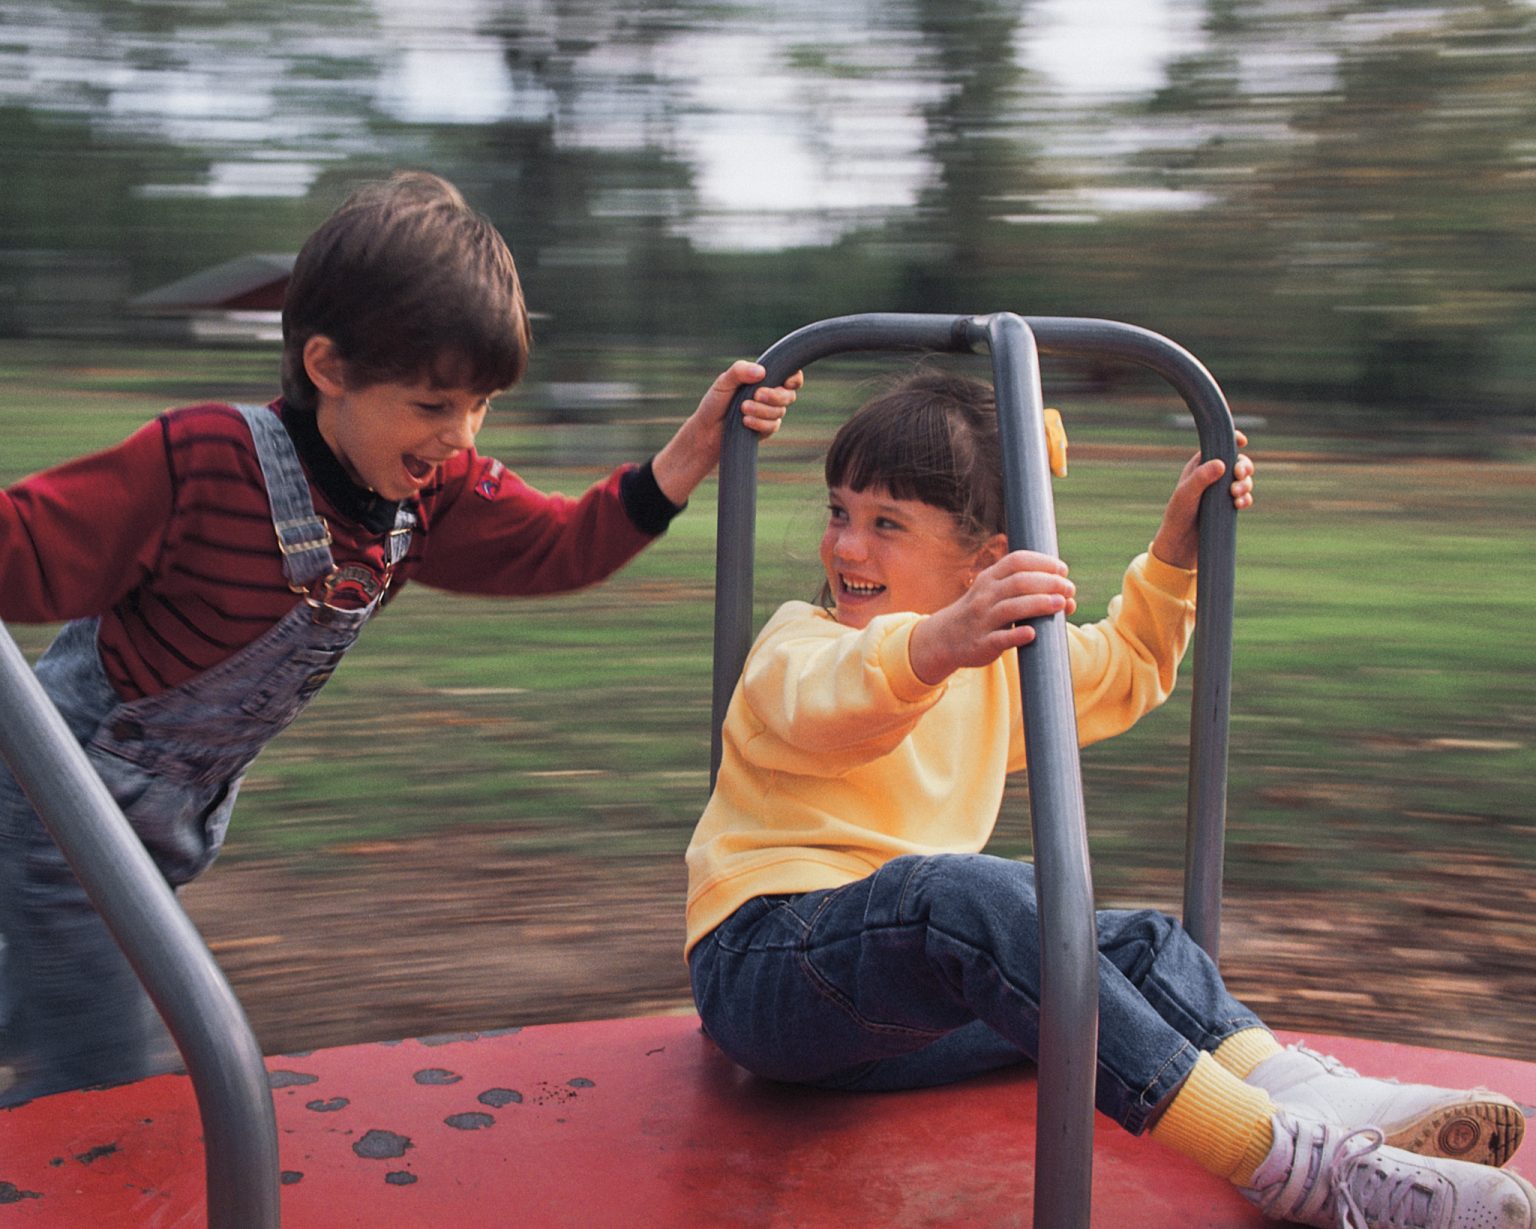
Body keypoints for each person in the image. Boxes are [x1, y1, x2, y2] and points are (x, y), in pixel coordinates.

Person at [0, 169, 802, 1105]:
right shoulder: (200, 467)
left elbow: (557, 545)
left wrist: (693, 451)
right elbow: (23, 547)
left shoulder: (429, 496)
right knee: (112, 1083)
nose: (459, 434)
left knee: (47, 1005)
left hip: (168, 829)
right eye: (431, 405)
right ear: (328, 368)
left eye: (481, 404)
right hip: (67, 810)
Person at [685, 367, 1533, 1228]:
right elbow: (837, 699)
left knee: (1134, 939)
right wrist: (941, 640)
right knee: (971, 894)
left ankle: (1312, 1099)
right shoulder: (802, 643)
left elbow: (1127, 663)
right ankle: (1282, 1161)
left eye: (886, 525)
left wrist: (1175, 554)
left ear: (983, 561)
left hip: (897, 1024)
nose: (846, 547)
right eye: (840, 511)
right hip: (766, 972)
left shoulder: (993, 668)